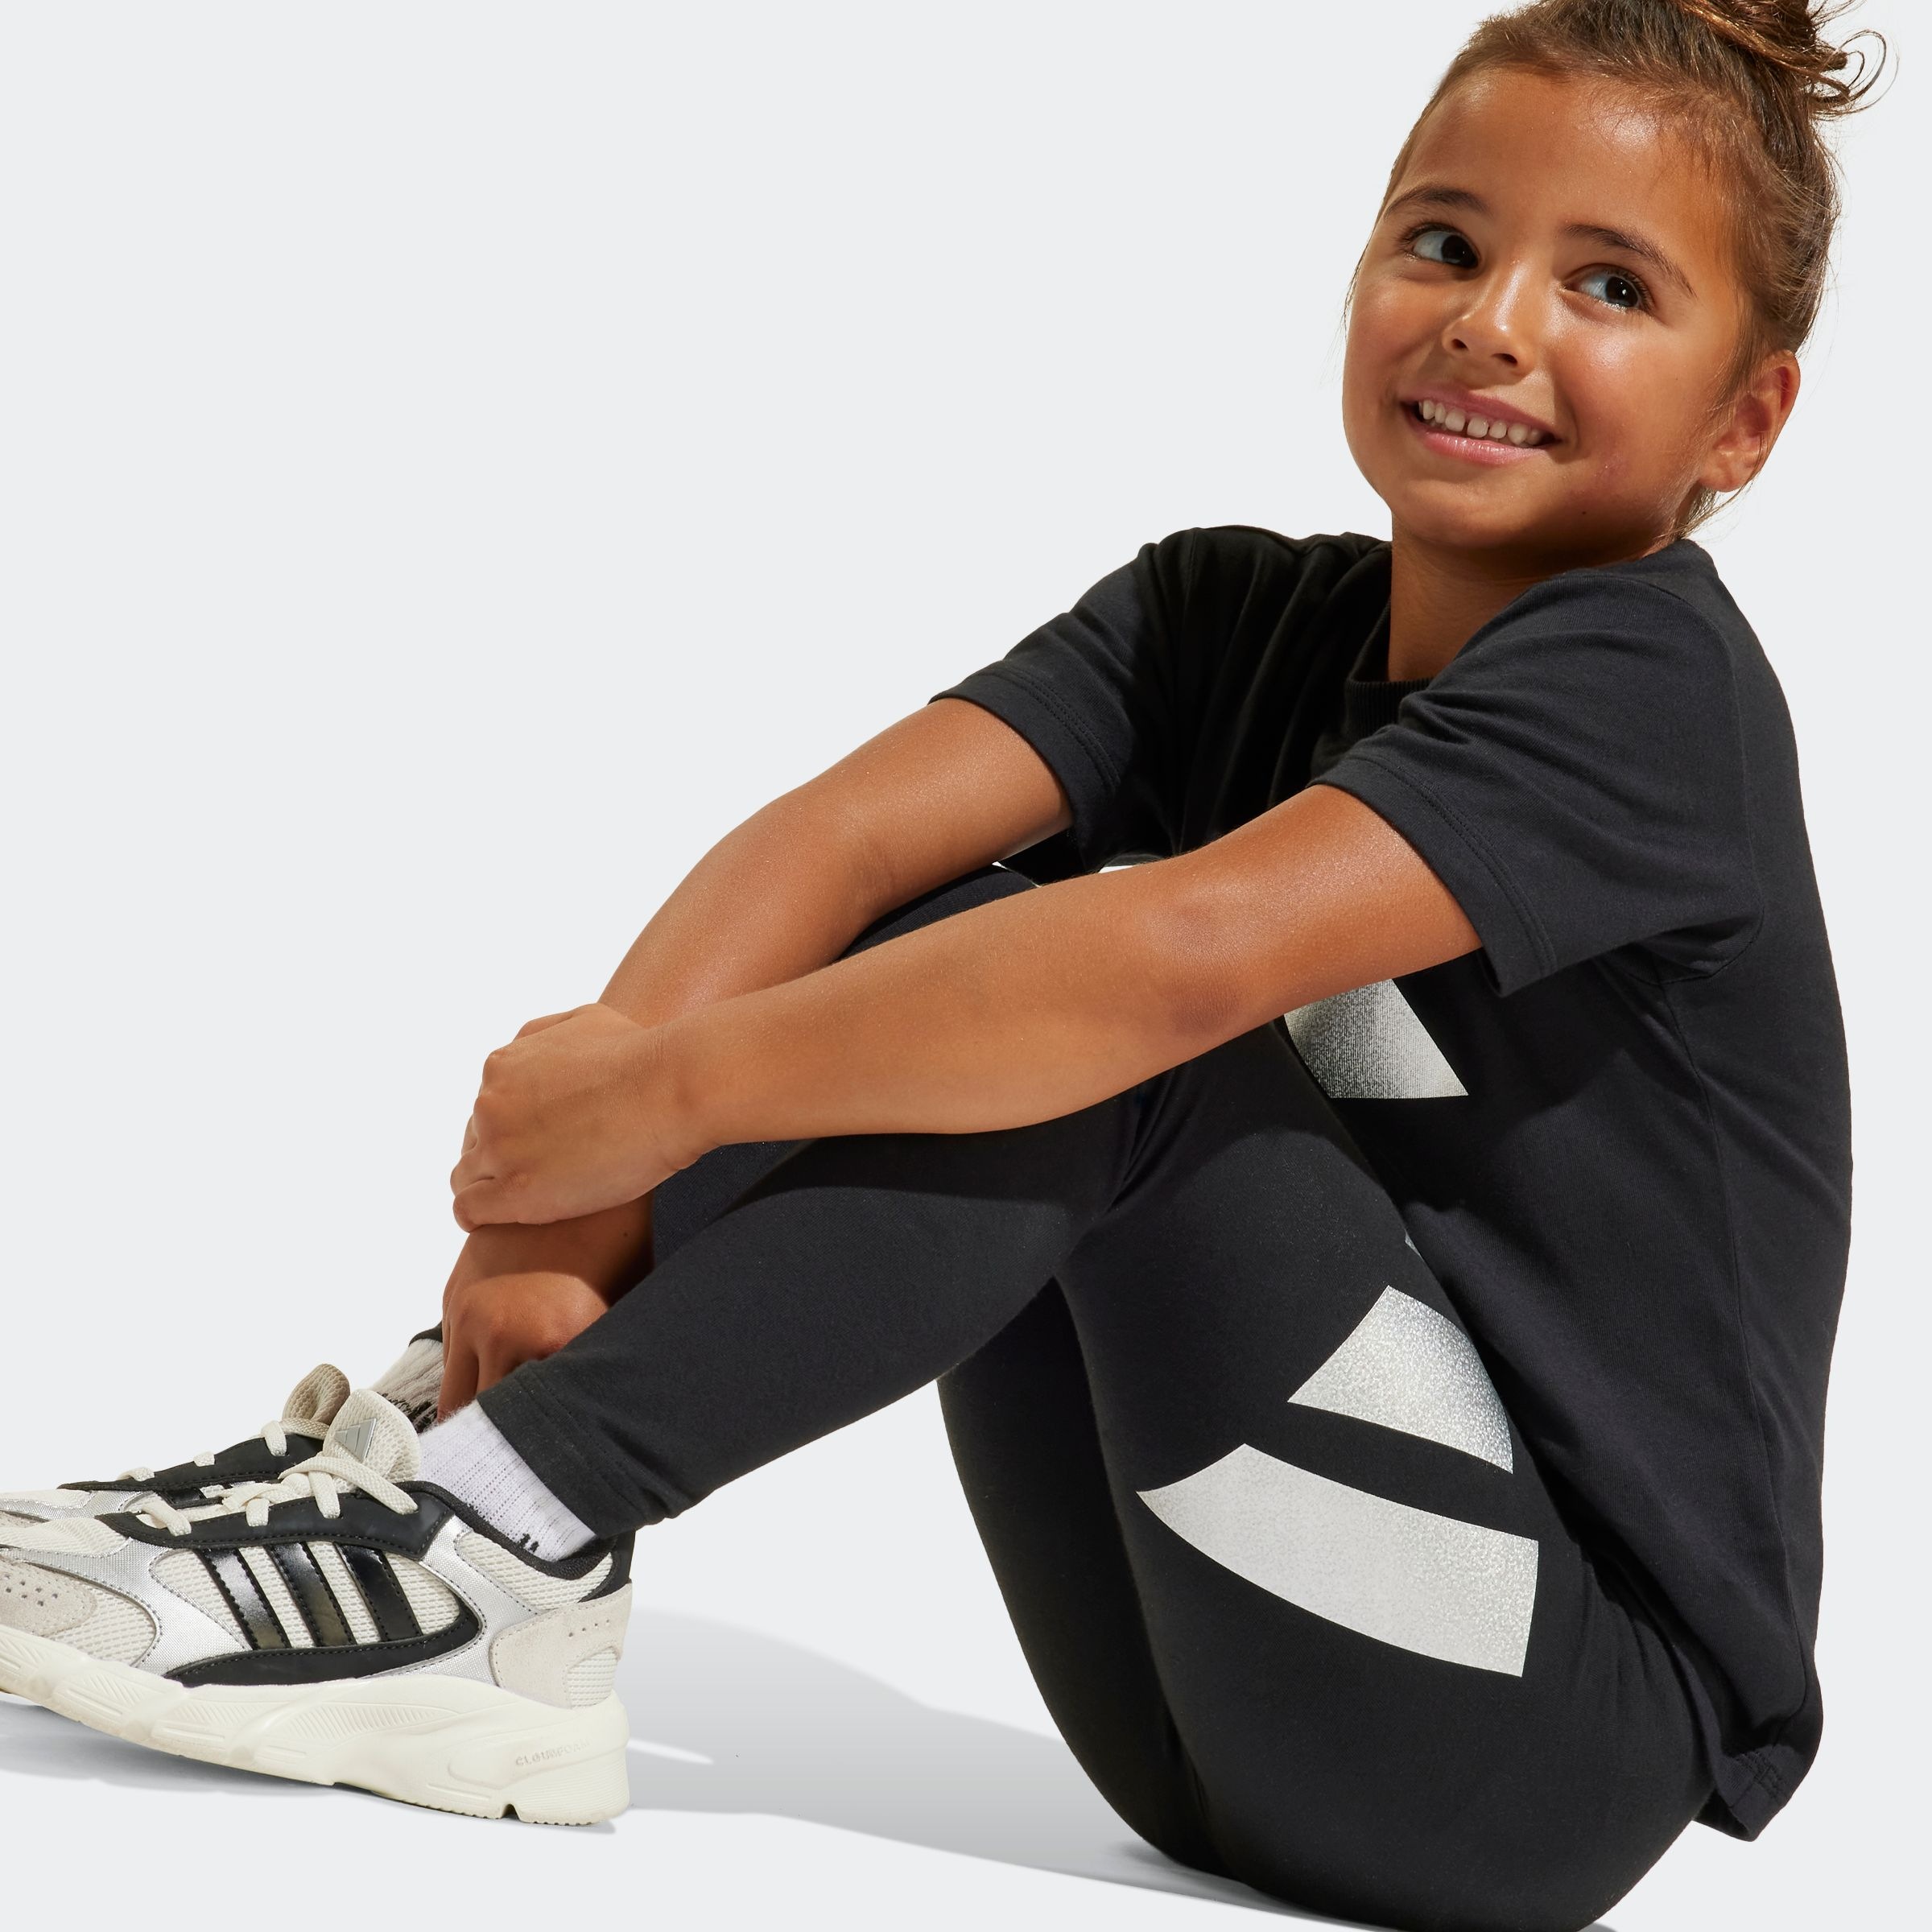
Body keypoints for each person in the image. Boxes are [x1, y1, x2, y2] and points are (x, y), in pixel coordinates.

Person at [0, 2, 1884, 1926]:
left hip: (1535, 1747)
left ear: (1745, 419)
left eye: (1610, 286)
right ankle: (447, 1473)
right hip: (1194, 1705)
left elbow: (1168, 964)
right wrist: (555, 1227)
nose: (1492, 320)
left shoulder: (1656, 683)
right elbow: (833, 848)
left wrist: (650, 1100)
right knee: (949, 957)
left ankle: (497, 1541)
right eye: (1445, 241)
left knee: (1101, 1010)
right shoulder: (1218, 617)